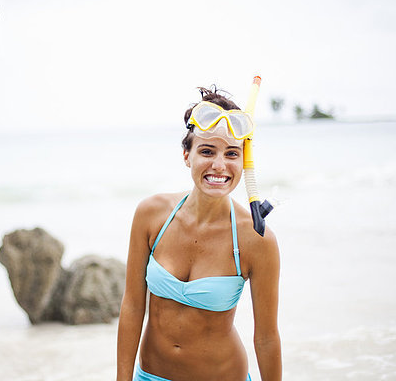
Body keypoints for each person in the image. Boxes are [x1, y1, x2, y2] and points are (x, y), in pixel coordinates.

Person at [116, 87, 282, 381]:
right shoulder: (151, 215)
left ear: (243, 161)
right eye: (207, 151)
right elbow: (131, 306)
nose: (219, 165)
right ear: (186, 155)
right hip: (150, 376)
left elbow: (266, 338)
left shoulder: (256, 239)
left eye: (232, 154)